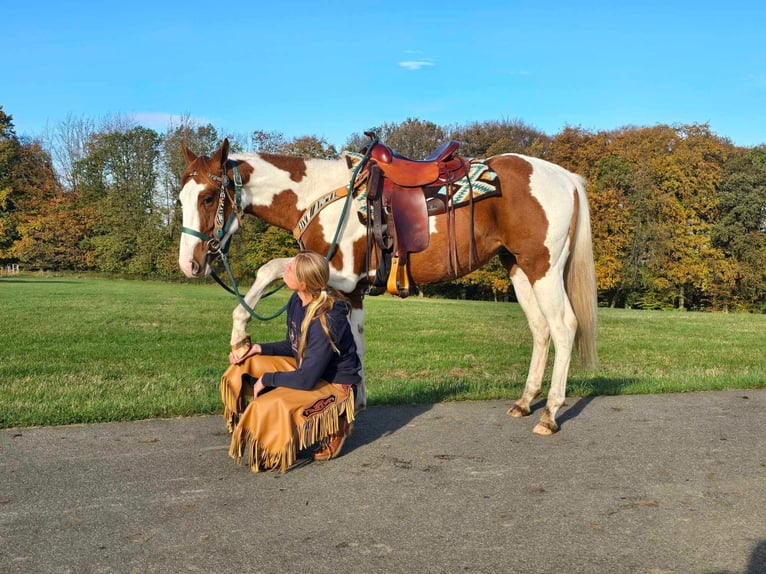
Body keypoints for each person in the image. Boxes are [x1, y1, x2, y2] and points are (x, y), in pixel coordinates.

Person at [221, 250, 361, 473]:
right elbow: (292, 344)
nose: (284, 268)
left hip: (334, 385)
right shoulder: (297, 299)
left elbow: (306, 379)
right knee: (244, 365)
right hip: (308, 369)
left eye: (290, 268)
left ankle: (338, 422)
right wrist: (257, 349)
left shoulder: (328, 319)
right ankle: (264, 420)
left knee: (268, 404)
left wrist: (268, 379)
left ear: (303, 283)